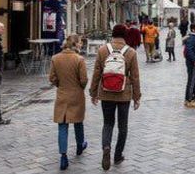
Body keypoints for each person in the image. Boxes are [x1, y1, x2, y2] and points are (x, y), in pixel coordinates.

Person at [90, 24, 141, 171]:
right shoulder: (131, 52)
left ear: (112, 34)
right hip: (124, 94)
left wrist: (94, 92)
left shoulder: (102, 50)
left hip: (106, 92)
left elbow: (96, 73)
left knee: (108, 123)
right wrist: (136, 97)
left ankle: (106, 147)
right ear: (125, 35)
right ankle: (118, 155)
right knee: (122, 126)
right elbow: (135, 77)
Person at [49, 34, 88, 170]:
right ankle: (80, 145)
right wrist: (79, 87)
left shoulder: (55, 58)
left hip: (62, 94)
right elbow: (84, 80)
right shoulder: (79, 59)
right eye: (80, 42)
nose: (81, 45)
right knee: (78, 122)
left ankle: (63, 156)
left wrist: (60, 85)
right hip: (76, 94)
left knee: (62, 125)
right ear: (76, 44)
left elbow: (52, 78)